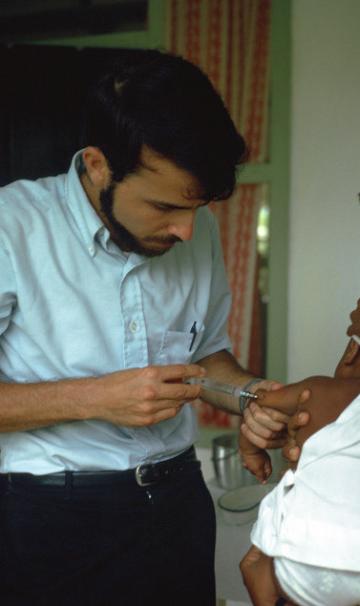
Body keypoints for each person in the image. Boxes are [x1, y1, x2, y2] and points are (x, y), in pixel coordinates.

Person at [0, 49, 282, 606]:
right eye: (163, 207)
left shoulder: (192, 228)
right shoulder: (12, 228)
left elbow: (210, 357)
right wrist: (95, 398)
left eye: (197, 207)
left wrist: (251, 396)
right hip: (50, 517)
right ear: (98, 164)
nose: (185, 230)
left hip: (178, 504)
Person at [239, 325, 360, 606]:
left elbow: (260, 404)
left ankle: (266, 574)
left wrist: (251, 450)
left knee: (281, 507)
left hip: (300, 566)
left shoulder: (318, 391)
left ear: (351, 353)